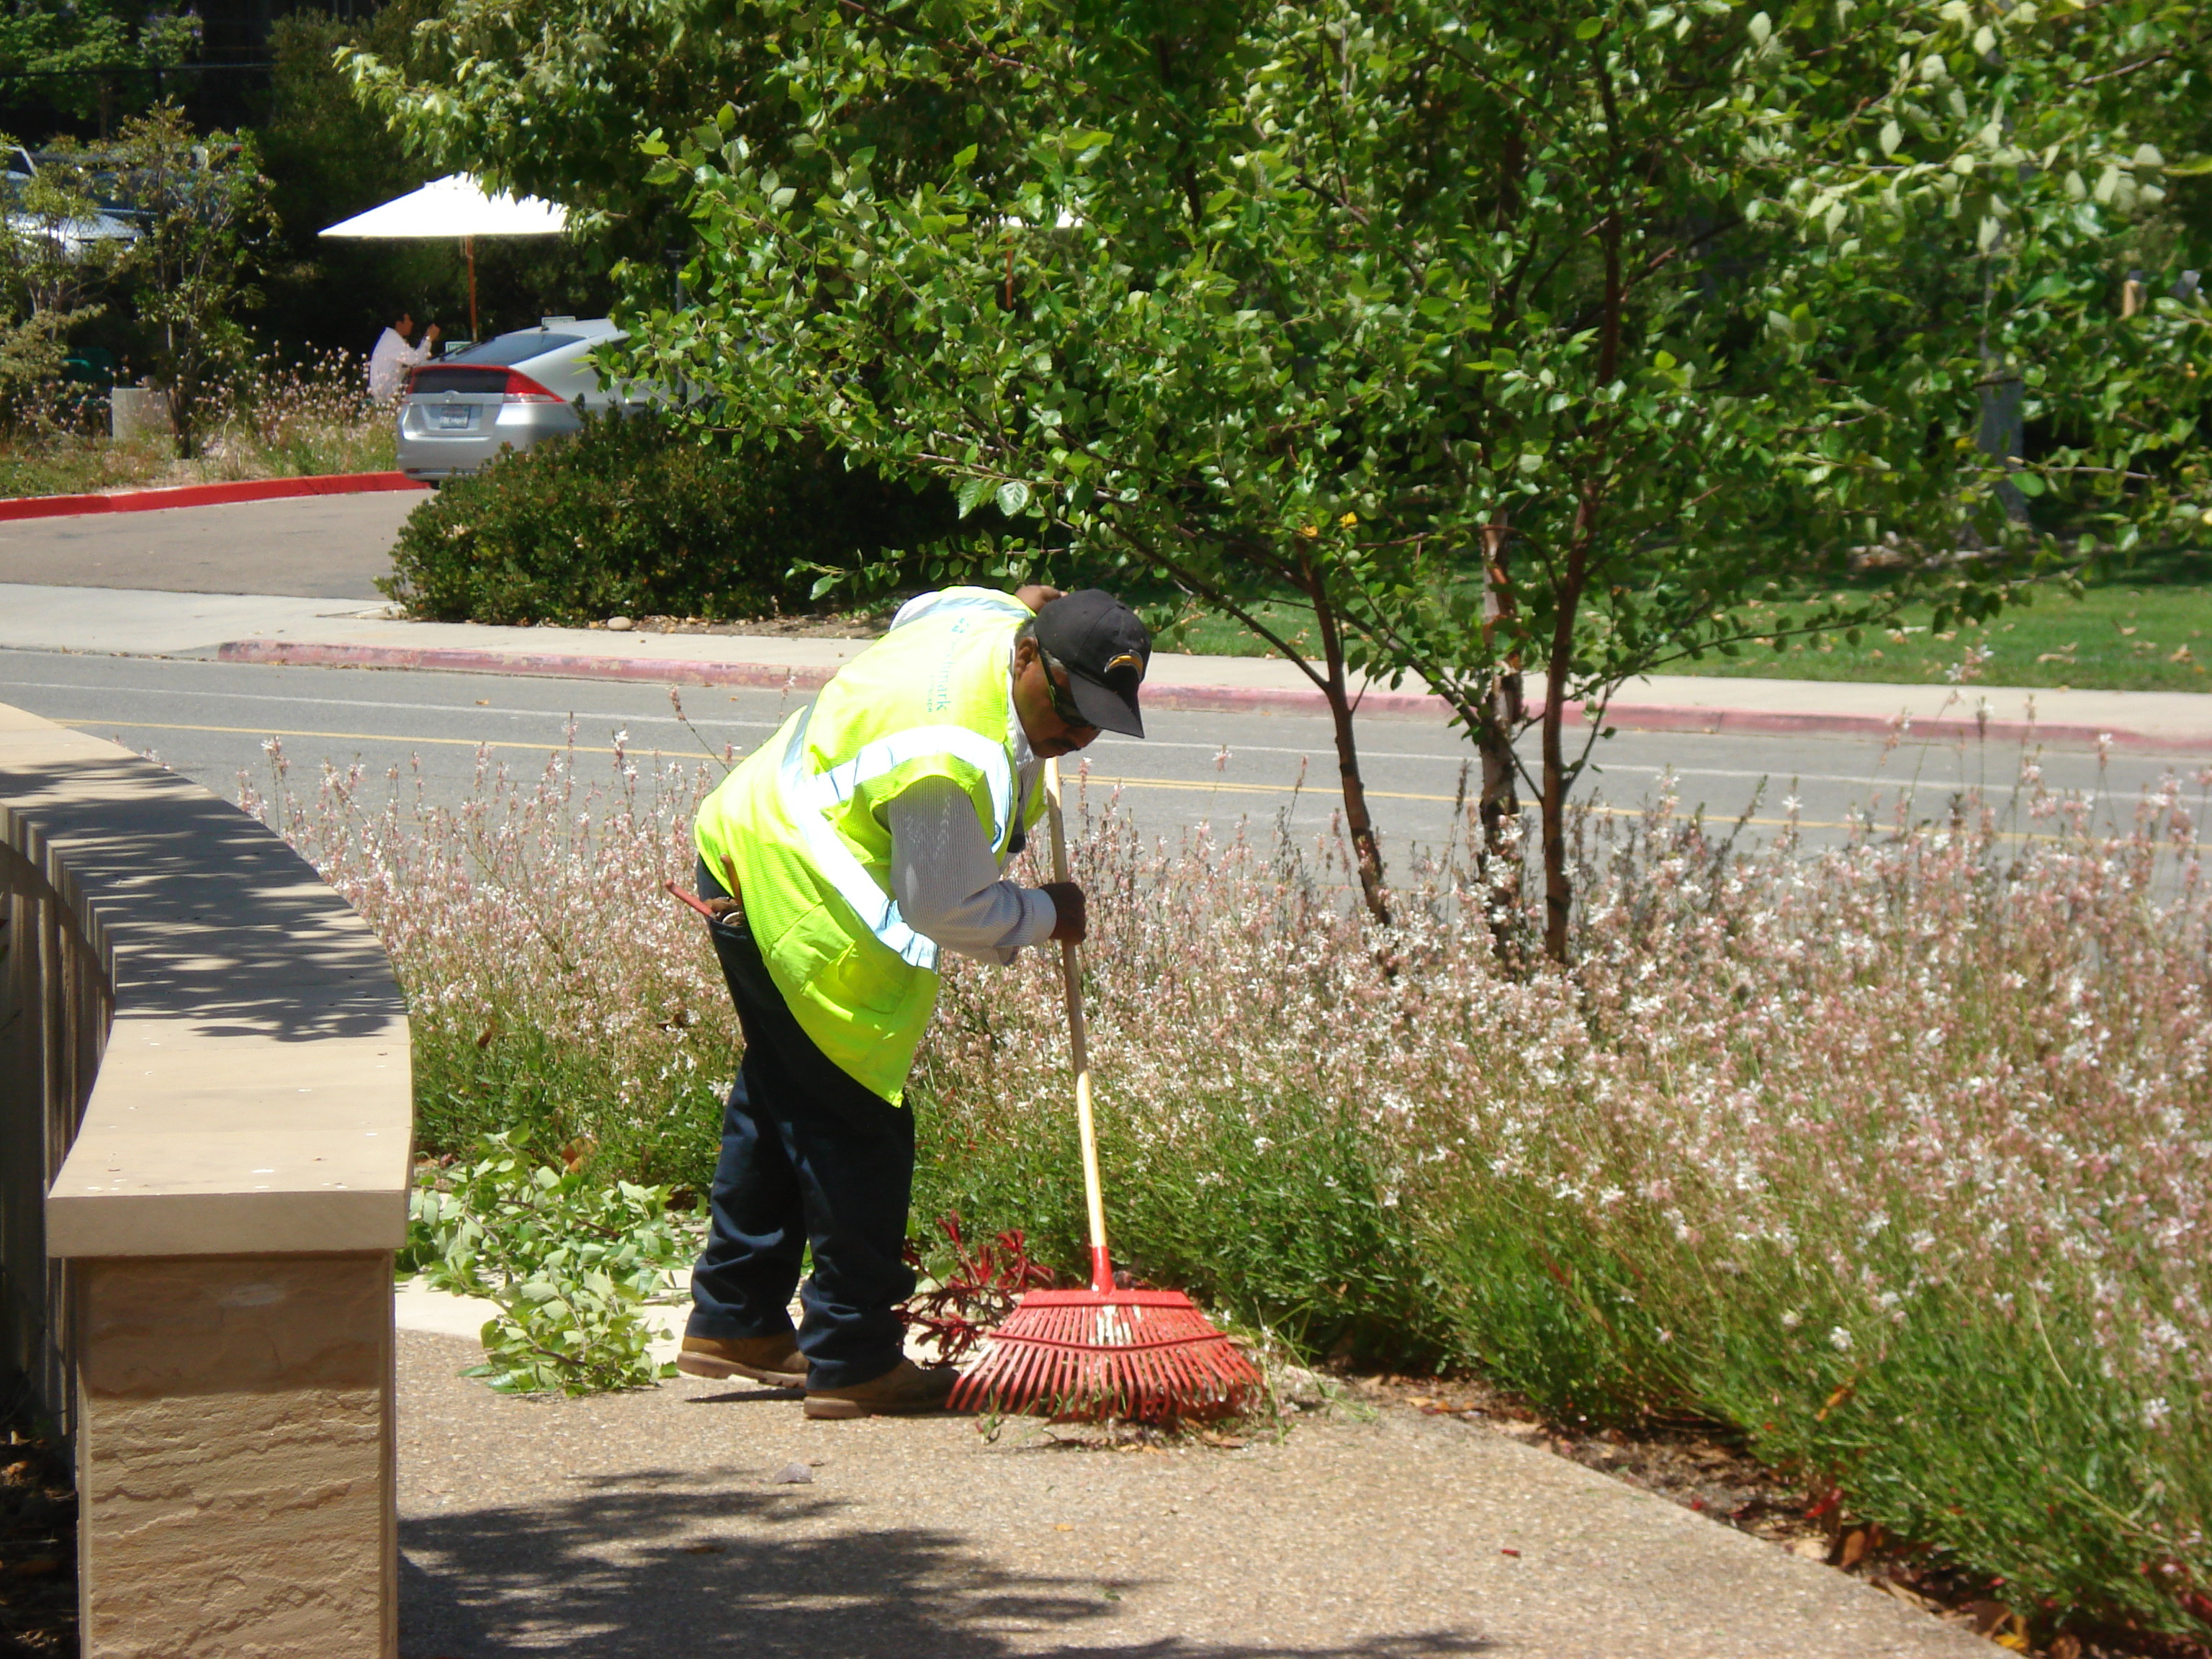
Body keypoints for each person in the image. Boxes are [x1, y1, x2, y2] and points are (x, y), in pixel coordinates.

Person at [679, 584, 1153, 1419]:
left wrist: (1019, 601)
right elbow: (942, 908)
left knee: (783, 1095)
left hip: (745, 843)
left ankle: (737, 1318)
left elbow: (926, 608)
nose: (1078, 736)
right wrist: (1048, 913)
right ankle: (852, 1356)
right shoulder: (947, 755)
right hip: (800, 902)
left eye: (1099, 721)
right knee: (857, 1131)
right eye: (1070, 709)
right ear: (1027, 657)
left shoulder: (985, 616)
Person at [367, 311, 440, 402]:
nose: (411, 324)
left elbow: (413, 357)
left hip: (386, 396)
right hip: (387, 398)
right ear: (399, 324)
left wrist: (426, 338)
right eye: (408, 321)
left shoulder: (390, 338)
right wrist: (429, 339)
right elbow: (417, 360)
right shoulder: (392, 341)